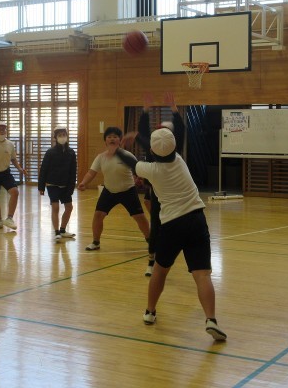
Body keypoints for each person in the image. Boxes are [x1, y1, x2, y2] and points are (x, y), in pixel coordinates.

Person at [115, 127, 227, 341]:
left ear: (152, 152)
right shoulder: (179, 160)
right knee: (202, 275)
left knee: (160, 271)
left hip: (172, 224)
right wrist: (139, 137)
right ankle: (211, 319)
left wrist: (118, 148)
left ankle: (150, 312)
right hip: (196, 219)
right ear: (174, 147)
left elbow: (131, 162)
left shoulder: (151, 170)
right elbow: (158, 148)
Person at [131, 92, 185, 277]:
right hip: (157, 192)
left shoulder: (174, 150)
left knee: (171, 226)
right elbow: (143, 133)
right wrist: (146, 110)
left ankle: (169, 256)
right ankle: (151, 261)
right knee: (155, 226)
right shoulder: (153, 147)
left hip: (174, 196)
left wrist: (174, 110)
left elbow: (180, 130)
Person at [77, 126, 150, 251]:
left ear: (120, 140)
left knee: (140, 217)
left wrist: (138, 179)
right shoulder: (101, 157)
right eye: (109, 137)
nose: (112, 139)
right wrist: (83, 183)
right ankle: (96, 242)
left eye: (115, 137)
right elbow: (91, 173)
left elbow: (138, 170)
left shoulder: (127, 155)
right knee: (98, 215)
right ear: (105, 141)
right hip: (109, 191)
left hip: (128, 191)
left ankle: (151, 241)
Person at [38, 125, 77, 242]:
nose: (62, 137)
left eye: (64, 135)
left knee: (69, 207)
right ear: (55, 137)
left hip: (66, 185)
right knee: (55, 207)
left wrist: (71, 187)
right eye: (60, 135)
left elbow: (73, 171)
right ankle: (56, 232)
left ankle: (63, 230)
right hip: (52, 184)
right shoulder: (50, 152)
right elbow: (43, 169)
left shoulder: (71, 152)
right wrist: (41, 186)